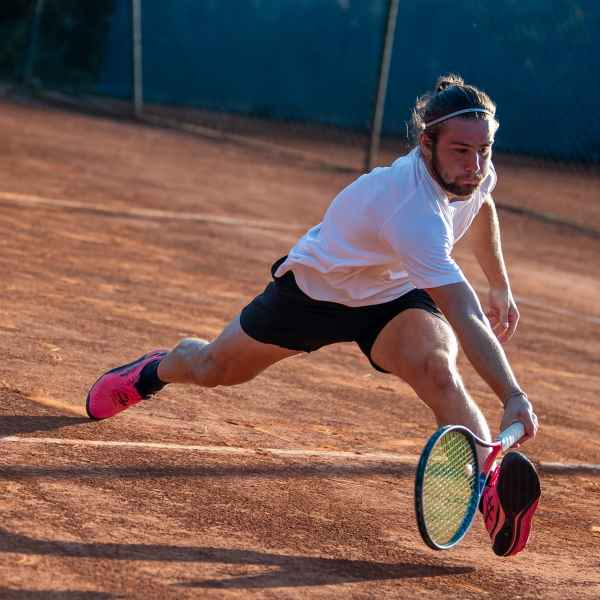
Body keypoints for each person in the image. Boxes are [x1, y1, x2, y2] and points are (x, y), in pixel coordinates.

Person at [86, 74, 541, 557]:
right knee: (212, 368)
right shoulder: (412, 209)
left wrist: (499, 282)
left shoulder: (471, 171)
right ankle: (153, 371)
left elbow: (481, 203)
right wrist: (512, 394)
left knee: (438, 370)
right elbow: (464, 314)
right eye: (461, 151)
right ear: (426, 143)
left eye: (484, 150)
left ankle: (489, 484)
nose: (475, 165)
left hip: (393, 296)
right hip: (315, 293)